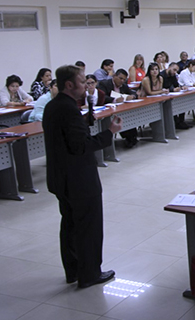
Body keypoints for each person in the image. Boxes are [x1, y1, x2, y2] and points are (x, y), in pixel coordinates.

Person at [43, 64, 123, 289]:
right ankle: (89, 274)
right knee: (88, 226)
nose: (87, 85)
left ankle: (74, 270)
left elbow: (67, 136)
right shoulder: (67, 109)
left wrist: (86, 120)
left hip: (61, 178)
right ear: (69, 85)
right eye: (82, 82)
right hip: (79, 179)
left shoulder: (54, 106)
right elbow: (80, 146)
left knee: (69, 224)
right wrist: (109, 133)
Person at [97, 69, 138, 147]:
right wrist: (114, 100)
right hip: (109, 110)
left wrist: (132, 96)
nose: (122, 81)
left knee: (129, 117)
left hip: (122, 109)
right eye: (120, 78)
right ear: (114, 76)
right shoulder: (104, 84)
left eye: (124, 79)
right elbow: (102, 97)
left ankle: (131, 138)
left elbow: (132, 92)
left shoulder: (124, 85)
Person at [160, 62, 190, 129]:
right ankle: (176, 122)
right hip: (163, 97)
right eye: (174, 70)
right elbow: (161, 88)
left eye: (176, 70)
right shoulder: (161, 76)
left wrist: (181, 87)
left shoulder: (172, 75)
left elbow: (176, 85)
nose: (175, 72)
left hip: (171, 95)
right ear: (169, 67)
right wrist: (172, 90)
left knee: (182, 102)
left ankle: (181, 121)